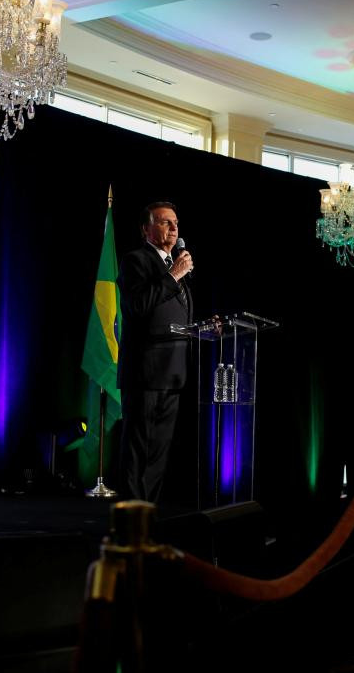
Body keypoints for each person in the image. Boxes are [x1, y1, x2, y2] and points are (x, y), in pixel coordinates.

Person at [117, 201, 194, 502]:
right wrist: (173, 276)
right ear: (146, 229)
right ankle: (130, 517)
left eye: (175, 222)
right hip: (145, 373)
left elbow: (176, 315)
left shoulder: (175, 265)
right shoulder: (136, 261)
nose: (174, 228)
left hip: (173, 373)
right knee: (138, 450)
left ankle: (148, 514)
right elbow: (137, 308)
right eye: (165, 222)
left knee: (159, 453)